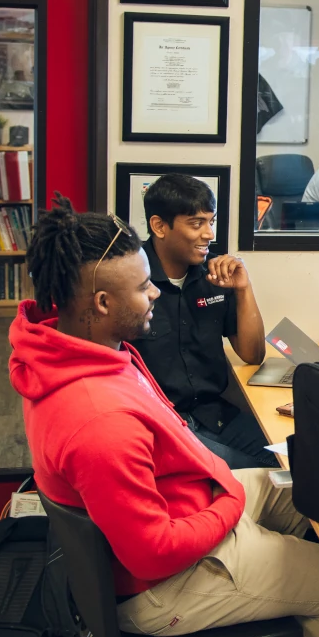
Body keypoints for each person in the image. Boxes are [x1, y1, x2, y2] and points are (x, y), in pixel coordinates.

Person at [10, 198, 319, 637]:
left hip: (190, 502)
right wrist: (230, 504)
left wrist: (228, 490)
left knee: (313, 485)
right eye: (142, 287)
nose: (156, 291)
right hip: (164, 579)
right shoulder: (97, 420)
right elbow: (151, 551)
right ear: (103, 302)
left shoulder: (80, 349)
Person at [131, 172, 274, 470]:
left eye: (211, 221)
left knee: (290, 457)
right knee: (260, 474)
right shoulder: (131, 281)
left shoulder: (215, 275)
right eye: (196, 224)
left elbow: (253, 354)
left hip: (215, 415)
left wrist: (244, 289)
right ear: (159, 226)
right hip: (163, 426)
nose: (209, 233)